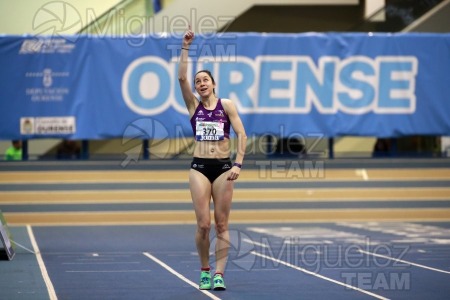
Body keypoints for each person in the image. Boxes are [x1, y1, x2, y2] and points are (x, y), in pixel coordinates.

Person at [178, 25, 247, 291]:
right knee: (204, 224)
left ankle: (219, 274)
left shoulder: (226, 105)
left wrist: (239, 163)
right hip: (199, 167)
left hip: (223, 168)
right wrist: (185, 47)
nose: (200, 83)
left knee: (221, 223)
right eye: (198, 82)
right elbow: (181, 79)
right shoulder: (193, 106)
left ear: (213, 84)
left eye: (205, 80)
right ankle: (204, 269)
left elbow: (242, 134)